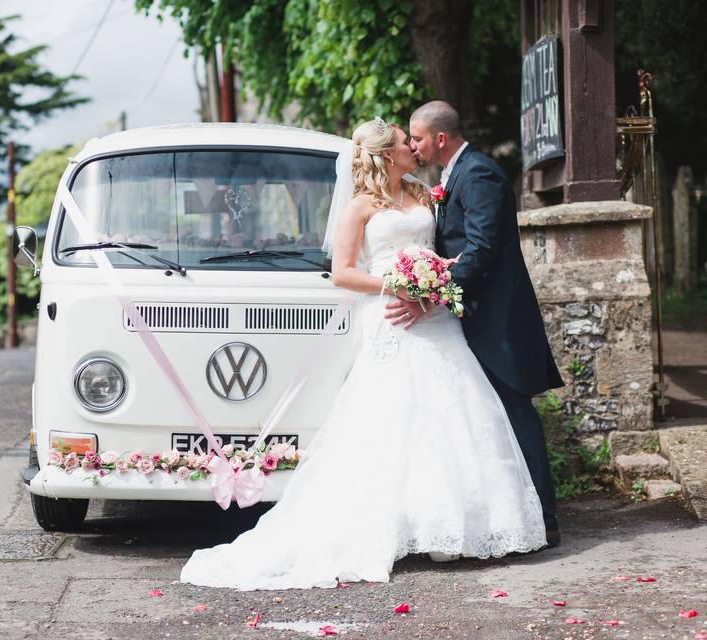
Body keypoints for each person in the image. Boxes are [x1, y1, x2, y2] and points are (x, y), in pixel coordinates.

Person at [179, 118, 546, 591]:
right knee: (393, 416)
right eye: (402, 143)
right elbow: (343, 274)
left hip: (434, 316)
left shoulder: (422, 193)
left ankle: (452, 526)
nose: (412, 147)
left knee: (450, 412)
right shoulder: (360, 207)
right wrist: (397, 285)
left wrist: (434, 282)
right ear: (386, 154)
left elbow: (441, 247)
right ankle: (394, 523)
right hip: (391, 315)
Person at [386, 100, 564, 546]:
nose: (414, 146)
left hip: (497, 319)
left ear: (440, 139)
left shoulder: (479, 174)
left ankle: (545, 517)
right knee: (487, 419)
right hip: (470, 316)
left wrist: (430, 298)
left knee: (515, 413)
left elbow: (482, 249)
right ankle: (510, 513)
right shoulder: (451, 176)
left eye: (419, 138)